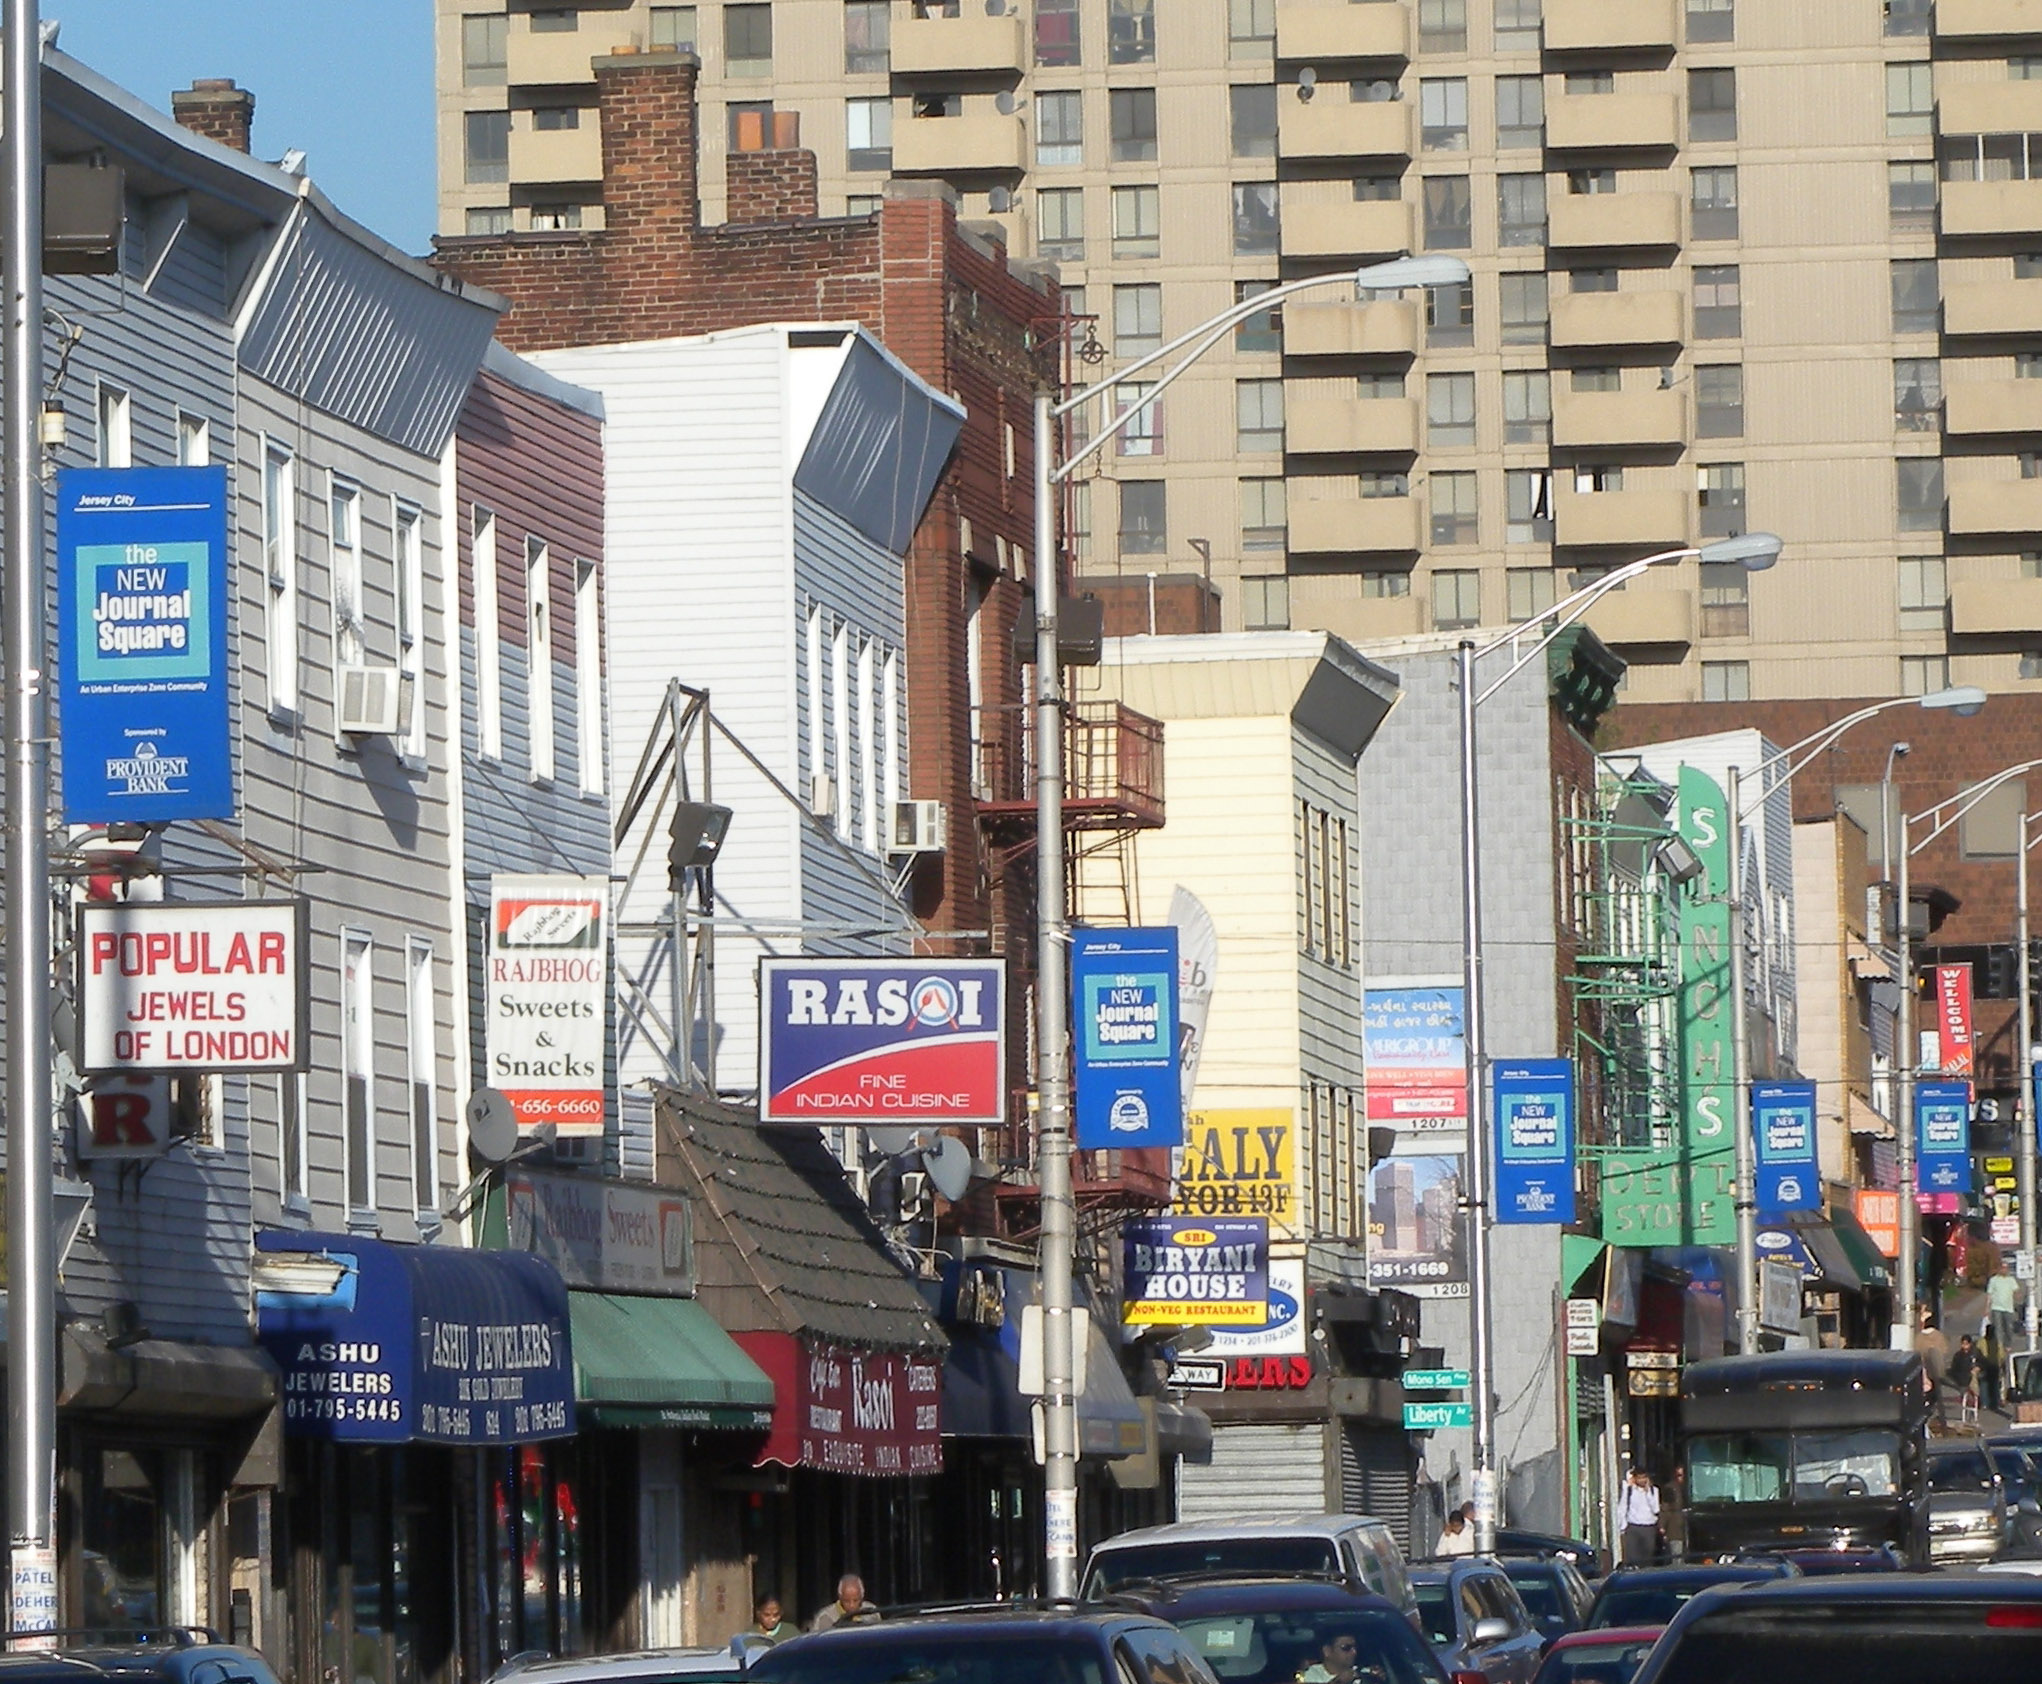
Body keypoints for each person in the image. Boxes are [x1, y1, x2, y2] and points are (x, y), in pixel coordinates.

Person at [1916, 1306, 1952, 1425]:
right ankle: (1938, 1416)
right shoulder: (1939, 1336)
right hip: (1938, 1371)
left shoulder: (1919, 1338)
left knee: (1925, 1395)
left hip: (1924, 1372)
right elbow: (1945, 1350)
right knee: (1937, 1393)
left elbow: (1915, 1353)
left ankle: (1927, 1413)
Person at [1618, 1468, 1661, 1566]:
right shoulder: (1629, 1490)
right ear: (1635, 1479)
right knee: (1632, 1557)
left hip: (1649, 1527)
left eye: (1644, 1477)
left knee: (1647, 1558)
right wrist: (1622, 1526)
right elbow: (1622, 1507)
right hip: (1633, 1527)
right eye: (1639, 1478)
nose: (1642, 1480)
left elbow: (1655, 1509)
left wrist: (1648, 1492)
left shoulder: (1654, 1491)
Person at [810, 1574, 879, 1632]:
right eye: (846, 1601)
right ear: (840, 1597)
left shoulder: (872, 1612)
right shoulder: (825, 1618)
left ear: (862, 1596)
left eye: (855, 1600)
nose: (851, 1605)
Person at [1989, 1260, 2024, 1365]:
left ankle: (2008, 1345)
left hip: (2008, 1308)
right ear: (1999, 1269)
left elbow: (2016, 1291)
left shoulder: (2011, 1280)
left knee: (2009, 1328)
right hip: (1996, 1308)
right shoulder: (1994, 1280)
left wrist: (2018, 1299)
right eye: (2002, 1268)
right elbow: (1989, 1295)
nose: (2004, 1270)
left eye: (2006, 1268)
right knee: (1998, 1328)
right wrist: (1986, 1308)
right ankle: (2000, 1347)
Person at [1297, 1632, 1362, 1684]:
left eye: (1355, 1647)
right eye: (1346, 1648)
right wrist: (1339, 1682)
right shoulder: (1310, 1675)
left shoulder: (1363, 1674)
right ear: (1327, 1651)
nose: (1354, 1652)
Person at [1950, 1334, 1981, 1419]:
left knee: (1975, 1389)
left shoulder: (1976, 1353)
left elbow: (1982, 1362)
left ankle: (1976, 1400)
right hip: (1962, 1378)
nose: (1964, 1346)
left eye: (1966, 1344)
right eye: (1963, 1344)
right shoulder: (1958, 1355)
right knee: (1964, 1394)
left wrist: (1978, 1368)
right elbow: (1954, 1368)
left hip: (1973, 1377)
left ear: (1970, 1344)